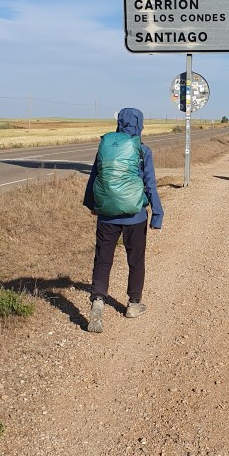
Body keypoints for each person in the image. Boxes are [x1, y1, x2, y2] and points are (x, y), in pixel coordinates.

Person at [83, 107, 163, 332]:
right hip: (135, 216)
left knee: (103, 259)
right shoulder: (142, 150)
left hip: (107, 215)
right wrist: (157, 214)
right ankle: (133, 305)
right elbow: (150, 184)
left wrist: (92, 205)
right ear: (140, 125)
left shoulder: (106, 147)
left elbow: (95, 177)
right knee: (135, 260)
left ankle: (98, 302)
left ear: (118, 123)